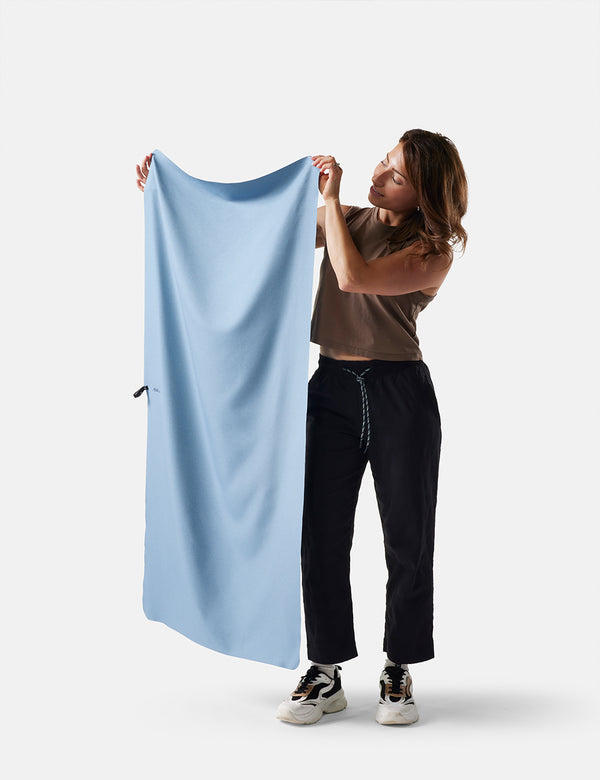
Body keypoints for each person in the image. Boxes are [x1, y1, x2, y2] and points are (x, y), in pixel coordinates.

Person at [135, 130, 468, 726]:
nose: (378, 175)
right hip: (332, 388)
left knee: (408, 539)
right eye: (383, 162)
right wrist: (171, 196)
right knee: (319, 535)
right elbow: (250, 228)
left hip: (400, 395)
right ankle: (326, 670)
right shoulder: (350, 218)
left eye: (395, 175)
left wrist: (331, 201)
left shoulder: (432, 252)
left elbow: (353, 276)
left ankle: (398, 668)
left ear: (424, 194)